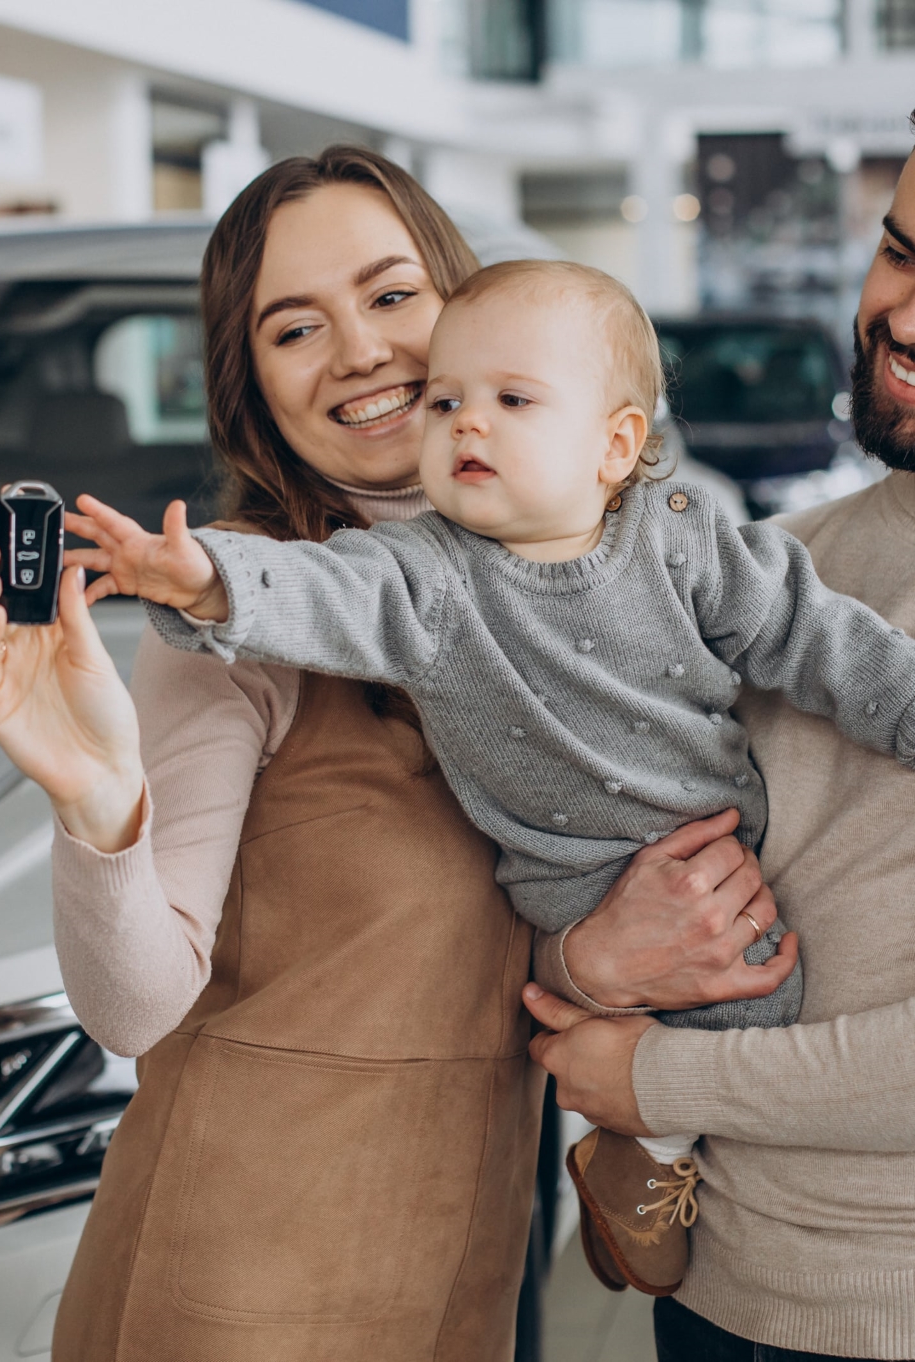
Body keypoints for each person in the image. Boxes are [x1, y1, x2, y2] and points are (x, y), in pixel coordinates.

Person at [0, 154, 795, 1358]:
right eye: (295, 327)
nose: (360, 350)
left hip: (459, 1272)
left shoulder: (613, 585)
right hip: (238, 1289)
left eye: (393, 297)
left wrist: (593, 956)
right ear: (252, 386)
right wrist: (100, 804)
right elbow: (136, 1007)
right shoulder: (230, 614)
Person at [59, 254, 915, 1298]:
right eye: (449, 402)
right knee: (706, 1015)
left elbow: (817, 638)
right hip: (570, 872)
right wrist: (204, 578)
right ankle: (651, 1155)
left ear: (616, 446)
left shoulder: (687, 541)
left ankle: (645, 1152)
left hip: (715, 843)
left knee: (761, 985)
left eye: (512, 401)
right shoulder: (430, 575)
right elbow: (324, 591)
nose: (468, 425)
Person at [523, 130, 915, 1362]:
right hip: (707, 1289)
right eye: (900, 252)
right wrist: (593, 954)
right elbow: (588, 832)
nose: (903, 314)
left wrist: (655, 1084)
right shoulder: (770, 564)